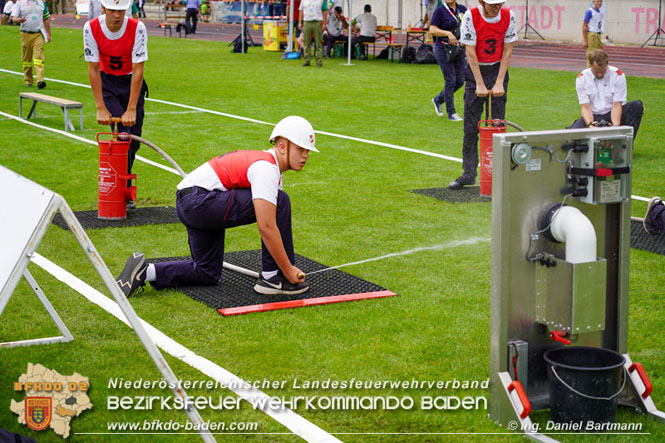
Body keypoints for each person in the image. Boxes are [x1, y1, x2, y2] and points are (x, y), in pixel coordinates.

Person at [115, 116, 319, 297]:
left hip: (192, 203)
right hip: (199, 202)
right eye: (301, 149)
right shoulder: (266, 168)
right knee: (280, 200)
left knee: (206, 272)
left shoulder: (267, 166)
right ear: (282, 147)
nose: (306, 156)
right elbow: (266, 226)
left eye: (307, 151)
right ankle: (272, 278)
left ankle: (145, 271)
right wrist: (288, 269)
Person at [84, 0, 147, 209]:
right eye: (112, 10)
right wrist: (100, 106)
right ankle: (121, 191)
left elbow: (139, 69)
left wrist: (131, 108)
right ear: (103, 9)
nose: (117, 16)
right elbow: (93, 69)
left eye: (121, 11)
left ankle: (123, 186)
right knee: (122, 135)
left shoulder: (137, 28)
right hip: (108, 84)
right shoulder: (91, 28)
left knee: (134, 142)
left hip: (131, 83)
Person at [449, 0, 516, 190]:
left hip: (497, 70)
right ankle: (468, 173)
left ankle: (497, 175)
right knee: (471, 127)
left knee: (497, 126)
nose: (497, 7)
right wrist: (478, 82)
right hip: (475, 71)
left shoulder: (508, 15)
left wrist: (499, 81)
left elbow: (508, 49)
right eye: (493, 4)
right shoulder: (471, 16)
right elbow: (470, 52)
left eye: (500, 3)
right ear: (481, 2)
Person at [567, 49, 644, 140]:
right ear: (590, 65)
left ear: (607, 64)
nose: (599, 75)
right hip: (594, 115)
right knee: (569, 140)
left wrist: (615, 128)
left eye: (602, 71)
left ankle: (625, 144)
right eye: (596, 72)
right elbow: (585, 107)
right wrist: (590, 125)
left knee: (637, 106)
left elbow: (616, 105)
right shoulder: (582, 79)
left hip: (612, 113)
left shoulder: (618, 75)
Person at [430, 0, 467, 121]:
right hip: (443, 48)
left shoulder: (462, 9)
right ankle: (451, 113)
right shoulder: (440, 11)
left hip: (459, 48)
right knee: (450, 80)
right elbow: (432, 30)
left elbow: (468, 26)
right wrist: (447, 33)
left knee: (460, 81)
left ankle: (438, 99)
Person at [11, 0, 51, 89]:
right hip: (25, 34)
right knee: (26, 59)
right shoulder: (20, 2)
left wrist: (49, 34)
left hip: (38, 34)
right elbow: (13, 18)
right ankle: (28, 80)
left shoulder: (41, 3)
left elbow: (46, 19)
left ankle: (40, 80)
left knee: (39, 57)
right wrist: (18, 20)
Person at [298, 0, 327, 67]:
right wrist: (300, 22)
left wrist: (324, 23)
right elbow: (301, 10)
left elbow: (325, 11)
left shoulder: (322, 0)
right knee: (306, 42)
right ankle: (306, 60)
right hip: (307, 22)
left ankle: (319, 61)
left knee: (318, 42)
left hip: (317, 22)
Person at [583, 0, 603, 67]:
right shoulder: (590, 11)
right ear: (593, 1)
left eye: (601, 1)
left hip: (598, 35)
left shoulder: (600, 13)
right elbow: (584, 26)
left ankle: (596, 73)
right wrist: (585, 41)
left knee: (599, 56)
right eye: (598, 1)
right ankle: (589, 73)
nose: (599, 3)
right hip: (592, 35)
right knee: (591, 56)